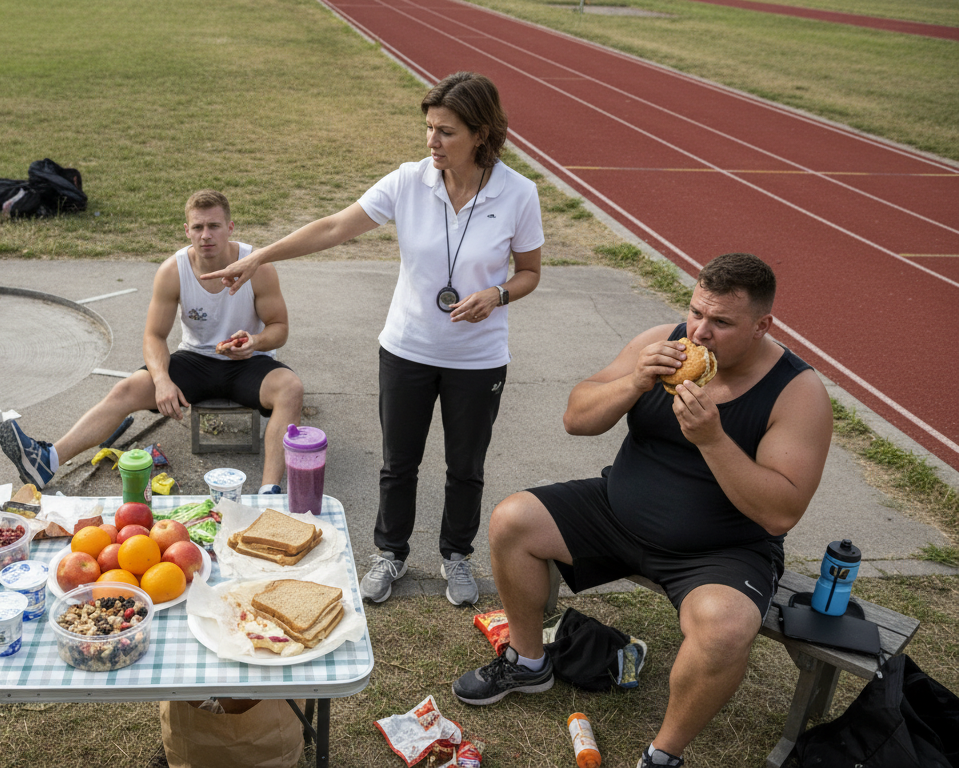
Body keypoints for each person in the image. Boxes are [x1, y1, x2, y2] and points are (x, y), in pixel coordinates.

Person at [451, 253, 834, 768]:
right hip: (616, 513)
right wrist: (634, 382)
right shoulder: (664, 342)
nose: (700, 332)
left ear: (762, 326)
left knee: (724, 629)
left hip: (721, 549)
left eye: (722, 322)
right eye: (696, 312)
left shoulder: (798, 393)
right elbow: (576, 418)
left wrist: (713, 439)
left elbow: (780, 513)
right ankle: (528, 662)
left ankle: (663, 754)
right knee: (512, 519)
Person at [203, 72, 543, 606]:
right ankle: (390, 553)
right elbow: (333, 227)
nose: (432, 141)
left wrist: (497, 295)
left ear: (481, 133)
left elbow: (530, 273)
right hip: (407, 349)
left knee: (466, 467)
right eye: (428, 128)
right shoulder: (409, 181)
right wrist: (259, 256)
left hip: (478, 360)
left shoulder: (518, 193)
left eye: (446, 132)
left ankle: (457, 555)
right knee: (398, 463)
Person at [0, 190, 304, 494]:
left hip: (248, 361)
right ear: (187, 231)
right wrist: (161, 381)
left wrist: (255, 341)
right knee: (126, 389)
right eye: (198, 227)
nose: (206, 235)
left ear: (230, 228)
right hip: (196, 360)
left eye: (214, 226)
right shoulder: (173, 270)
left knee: (290, 389)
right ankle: (48, 461)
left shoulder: (258, 267)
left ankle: (269, 492)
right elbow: (154, 336)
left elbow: (280, 328)